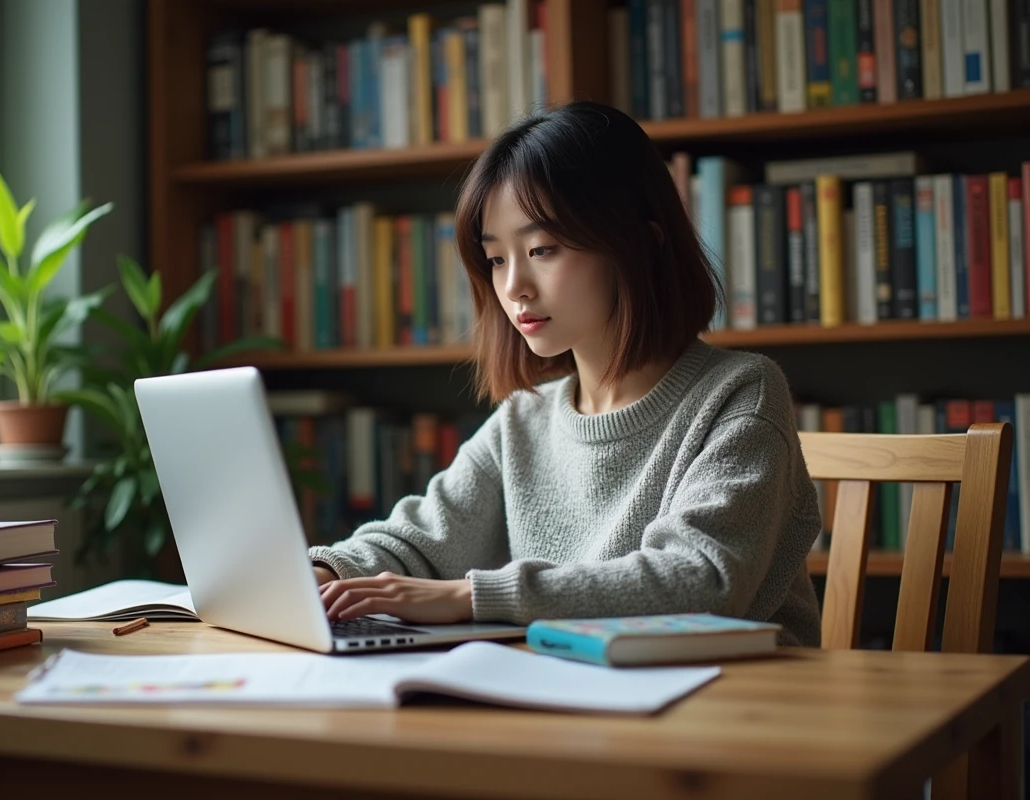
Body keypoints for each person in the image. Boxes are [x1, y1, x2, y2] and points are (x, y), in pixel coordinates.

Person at [309, 101, 823, 647]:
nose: (514, 288)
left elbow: (702, 580)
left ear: (641, 246)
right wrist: (326, 574)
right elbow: (421, 540)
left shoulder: (740, 394)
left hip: (733, 704)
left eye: (542, 249)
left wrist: (471, 597)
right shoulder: (524, 419)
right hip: (578, 698)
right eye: (497, 259)